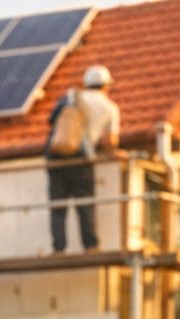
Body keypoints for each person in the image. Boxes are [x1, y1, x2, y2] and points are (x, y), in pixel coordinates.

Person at [45, 64, 120, 254]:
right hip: (82, 158)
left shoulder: (71, 97)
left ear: (86, 84)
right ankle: (90, 245)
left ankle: (58, 248)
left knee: (58, 205)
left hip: (56, 155)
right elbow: (110, 141)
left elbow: (52, 122)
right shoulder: (110, 108)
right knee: (85, 202)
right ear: (106, 86)